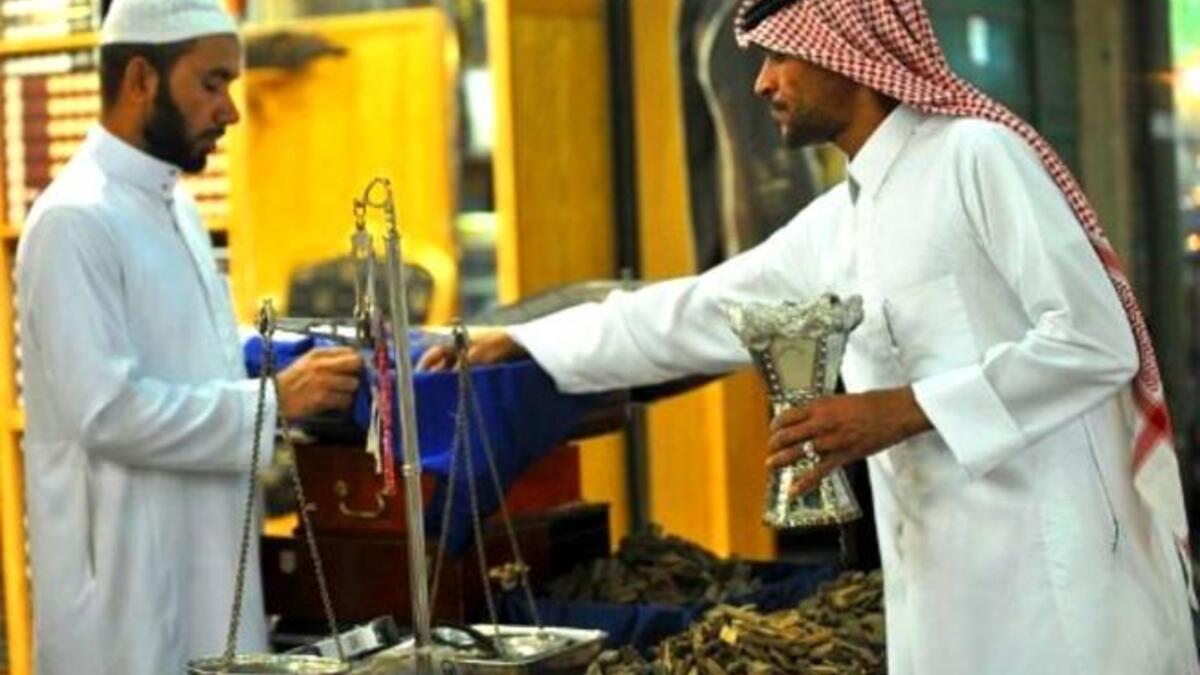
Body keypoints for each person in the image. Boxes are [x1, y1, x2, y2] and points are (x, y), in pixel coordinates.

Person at [421, 0, 1200, 672]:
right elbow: (697, 310)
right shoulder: (844, 218)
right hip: (943, 578)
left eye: (781, 57)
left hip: (1059, 574)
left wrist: (902, 409)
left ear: (848, 53)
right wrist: (529, 340)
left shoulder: (977, 155)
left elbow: (1096, 339)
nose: (762, 83)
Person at [15, 0, 363, 672]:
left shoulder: (177, 205)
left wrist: (307, 352)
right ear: (140, 78)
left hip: (208, 562)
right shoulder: (73, 222)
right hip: (125, 597)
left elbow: (188, 351)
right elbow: (106, 411)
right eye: (212, 83)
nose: (229, 110)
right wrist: (274, 401)